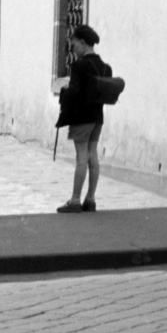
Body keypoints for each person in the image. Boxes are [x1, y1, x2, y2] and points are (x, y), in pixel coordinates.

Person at [57, 23, 109, 212]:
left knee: (81, 156)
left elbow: (74, 92)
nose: (73, 50)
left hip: (81, 117)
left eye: (74, 45)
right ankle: (91, 199)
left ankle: (75, 200)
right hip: (97, 117)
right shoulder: (104, 67)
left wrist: (65, 93)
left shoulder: (79, 66)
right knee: (92, 155)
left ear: (82, 42)